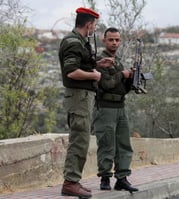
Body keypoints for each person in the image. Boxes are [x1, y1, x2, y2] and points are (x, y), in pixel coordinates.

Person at [58, 7, 114, 199]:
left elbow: (80, 63)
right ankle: (70, 183)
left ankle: (73, 181)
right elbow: (71, 71)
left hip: (82, 97)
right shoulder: (73, 42)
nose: (94, 28)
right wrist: (95, 75)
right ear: (89, 24)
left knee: (81, 139)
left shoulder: (79, 42)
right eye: (95, 25)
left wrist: (98, 64)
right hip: (78, 97)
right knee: (79, 140)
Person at [92, 27, 139, 193]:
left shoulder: (117, 61)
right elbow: (106, 84)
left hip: (120, 107)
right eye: (111, 39)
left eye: (117, 40)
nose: (114, 43)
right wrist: (122, 75)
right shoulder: (99, 60)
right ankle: (105, 177)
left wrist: (131, 79)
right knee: (106, 143)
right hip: (105, 107)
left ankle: (122, 178)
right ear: (104, 40)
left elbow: (120, 88)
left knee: (123, 144)